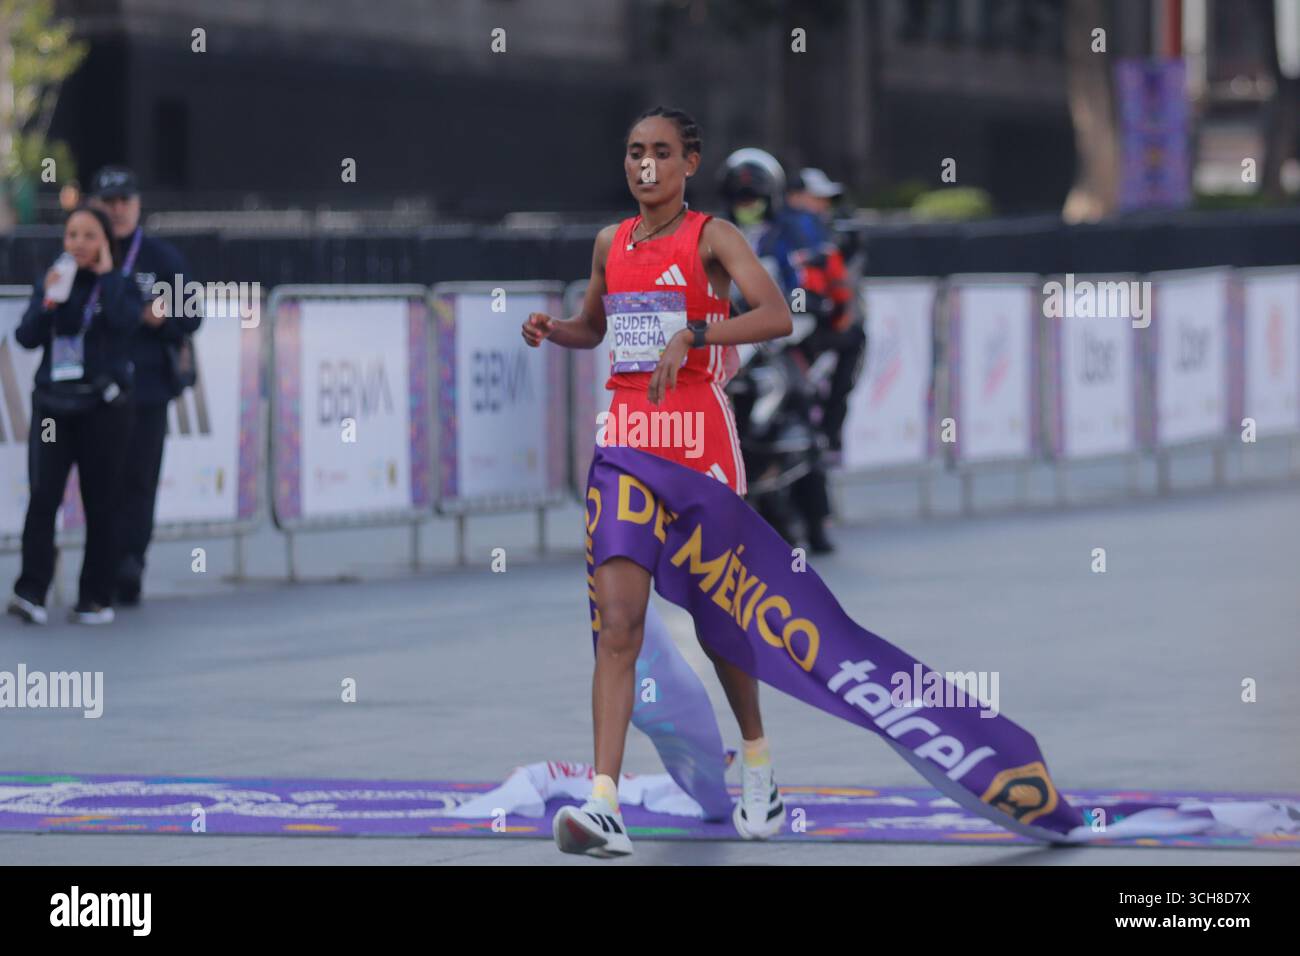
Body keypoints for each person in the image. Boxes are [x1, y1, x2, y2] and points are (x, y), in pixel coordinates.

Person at [521, 107, 793, 858]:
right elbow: (596, 328)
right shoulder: (610, 241)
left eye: (661, 153)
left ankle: (758, 760)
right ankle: (604, 803)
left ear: (690, 162)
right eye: (635, 153)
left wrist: (697, 334)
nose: (646, 166)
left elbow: (775, 317)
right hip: (627, 442)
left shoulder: (713, 238)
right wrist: (556, 331)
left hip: (698, 442)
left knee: (717, 616)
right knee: (618, 625)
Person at [6, 205, 143, 625]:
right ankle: (31, 591)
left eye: (88, 236)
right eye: (71, 235)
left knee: (100, 501)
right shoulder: (54, 280)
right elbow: (26, 337)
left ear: (104, 242)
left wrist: (108, 277)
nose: (78, 244)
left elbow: (125, 324)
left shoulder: (119, 284)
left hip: (101, 410)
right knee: (43, 496)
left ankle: (94, 596)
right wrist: (47, 299)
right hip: (53, 407)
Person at [89, 166, 202, 606]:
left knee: (139, 479)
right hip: (96, 390)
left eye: (124, 202)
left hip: (148, 389)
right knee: (103, 482)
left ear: (137, 205)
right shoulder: (85, 250)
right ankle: (100, 565)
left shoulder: (161, 258)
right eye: (109, 202)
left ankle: (130, 563)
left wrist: (163, 320)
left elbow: (193, 316)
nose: (117, 210)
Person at [719, 150, 838, 553]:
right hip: (729, 345)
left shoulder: (787, 236)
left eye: (754, 196)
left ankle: (816, 518)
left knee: (801, 402)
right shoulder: (714, 235)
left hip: (778, 339)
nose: (748, 205)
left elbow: (803, 289)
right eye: (740, 197)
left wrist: (790, 323)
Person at [783, 168, 867, 456]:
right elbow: (797, 282)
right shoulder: (792, 227)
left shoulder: (819, 229)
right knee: (854, 338)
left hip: (798, 320)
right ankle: (827, 432)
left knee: (851, 337)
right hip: (782, 324)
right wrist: (820, 305)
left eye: (826, 201)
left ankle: (825, 429)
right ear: (795, 197)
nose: (824, 207)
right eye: (817, 199)